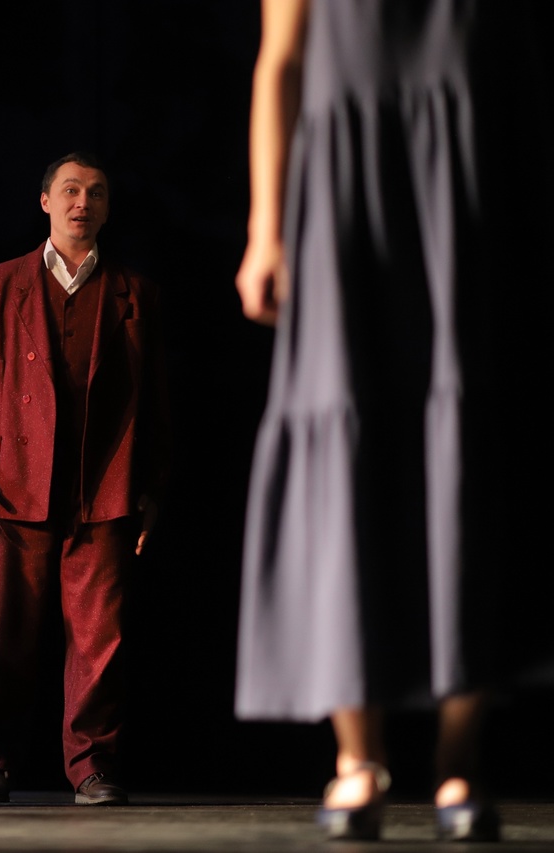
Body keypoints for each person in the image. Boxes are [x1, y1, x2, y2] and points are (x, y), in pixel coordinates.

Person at [234, 0, 554, 841]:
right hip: (345, 188)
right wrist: (266, 227)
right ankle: (358, 757)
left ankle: (459, 758)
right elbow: (280, 62)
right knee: (343, 440)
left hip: (473, 186)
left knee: (469, 451)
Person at [0, 152, 168, 806]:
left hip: (103, 488)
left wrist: (151, 487)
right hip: (12, 488)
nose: (82, 203)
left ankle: (91, 766)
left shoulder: (134, 291)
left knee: (100, 643)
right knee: (2, 635)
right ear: (45, 201)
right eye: (70, 190)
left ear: (107, 207)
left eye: (95, 193)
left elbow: (155, 401)